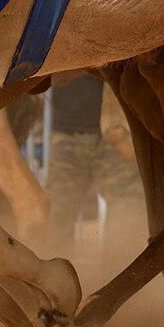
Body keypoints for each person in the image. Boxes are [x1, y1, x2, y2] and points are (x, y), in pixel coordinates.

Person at [42, 72, 143, 258]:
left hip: (116, 134)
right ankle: (54, 282)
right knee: (55, 219)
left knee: (127, 214)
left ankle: (119, 279)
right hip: (67, 133)